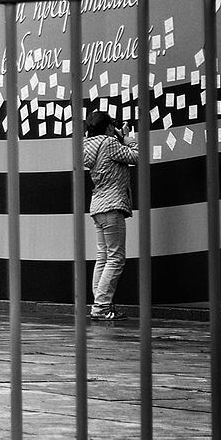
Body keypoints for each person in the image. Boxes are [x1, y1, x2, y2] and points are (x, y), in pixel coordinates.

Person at [83, 109, 138, 323]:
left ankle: (99, 304)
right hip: (112, 206)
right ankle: (101, 306)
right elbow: (137, 156)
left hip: (98, 206)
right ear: (107, 127)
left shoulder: (89, 146)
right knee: (116, 258)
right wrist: (128, 138)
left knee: (103, 257)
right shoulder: (108, 143)